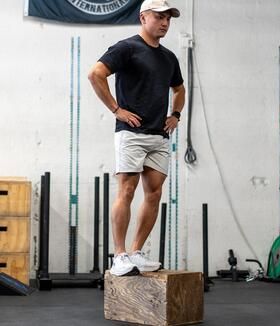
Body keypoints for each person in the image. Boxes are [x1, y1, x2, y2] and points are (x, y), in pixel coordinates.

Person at [87, 0, 185, 276]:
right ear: (144, 18)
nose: (165, 23)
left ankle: (136, 251)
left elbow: (179, 89)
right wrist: (117, 110)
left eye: (169, 18)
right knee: (127, 191)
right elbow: (96, 74)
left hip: (159, 135)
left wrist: (175, 114)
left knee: (153, 194)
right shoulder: (127, 48)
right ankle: (119, 256)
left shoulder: (168, 58)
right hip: (131, 134)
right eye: (159, 17)